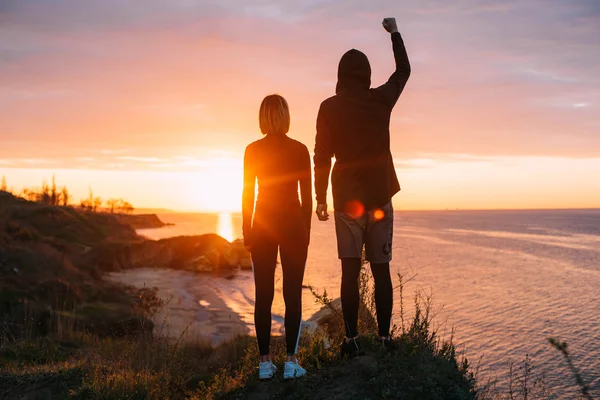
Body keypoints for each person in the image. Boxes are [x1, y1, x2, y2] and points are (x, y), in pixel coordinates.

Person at [313, 17, 411, 357]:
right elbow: (403, 72)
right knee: (381, 271)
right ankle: (384, 339)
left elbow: (321, 156)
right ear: (367, 74)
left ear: (340, 76)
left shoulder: (329, 107)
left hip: (346, 202)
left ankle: (352, 342)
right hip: (380, 198)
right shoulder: (380, 99)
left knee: (350, 272)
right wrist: (395, 33)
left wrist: (319, 199)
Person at [242, 94, 312, 379]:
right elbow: (306, 198)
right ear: (286, 116)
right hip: (294, 225)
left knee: (263, 295)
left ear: (263, 117)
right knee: (292, 293)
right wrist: (305, 231)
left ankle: (265, 364)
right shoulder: (299, 149)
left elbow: (247, 193)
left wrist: (247, 230)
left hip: (263, 224)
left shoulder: (252, 149)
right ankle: (292, 362)